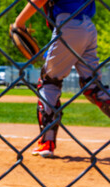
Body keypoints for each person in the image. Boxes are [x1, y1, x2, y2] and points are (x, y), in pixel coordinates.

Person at [12, 0, 110, 157]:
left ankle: (46, 142)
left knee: (49, 80)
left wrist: (20, 22)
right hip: (88, 27)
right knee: (93, 85)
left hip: (68, 23)